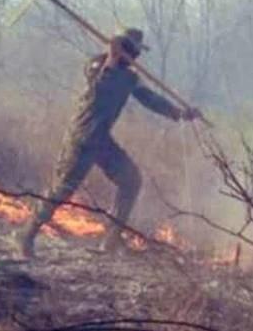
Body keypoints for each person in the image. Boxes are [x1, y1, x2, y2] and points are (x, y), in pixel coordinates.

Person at [13, 28, 201, 258]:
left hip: (101, 139)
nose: (136, 56)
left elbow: (150, 99)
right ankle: (27, 233)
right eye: (132, 50)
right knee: (62, 189)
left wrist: (179, 113)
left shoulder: (130, 77)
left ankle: (112, 239)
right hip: (82, 137)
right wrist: (112, 59)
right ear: (122, 47)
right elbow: (98, 86)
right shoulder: (97, 65)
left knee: (131, 180)